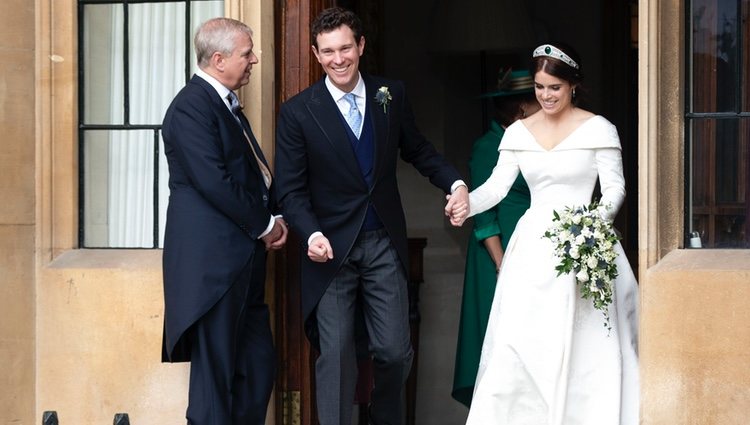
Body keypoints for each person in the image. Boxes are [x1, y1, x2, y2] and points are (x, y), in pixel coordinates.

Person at [274, 7, 468, 425]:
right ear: (314, 53)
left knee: (395, 351)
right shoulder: (297, 112)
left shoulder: (390, 94)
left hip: (383, 242)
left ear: (361, 46)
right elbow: (289, 189)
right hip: (329, 251)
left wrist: (454, 184)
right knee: (339, 355)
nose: (338, 59)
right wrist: (309, 235)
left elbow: (417, 149)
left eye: (345, 47)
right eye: (327, 51)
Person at [446, 43, 639, 424]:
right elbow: (497, 187)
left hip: (586, 241)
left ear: (572, 86)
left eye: (554, 87)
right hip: (533, 247)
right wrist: (465, 200)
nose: (546, 96)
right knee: (523, 339)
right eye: (539, 87)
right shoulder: (518, 132)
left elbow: (615, 188)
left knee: (587, 343)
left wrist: (593, 227)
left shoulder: (599, 128)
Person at [160, 17, 287, 424]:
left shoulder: (226, 103)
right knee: (214, 387)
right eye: (246, 53)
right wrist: (266, 225)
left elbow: (250, 174)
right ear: (218, 59)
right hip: (213, 270)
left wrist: (275, 213)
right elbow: (214, 181)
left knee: (256, 369)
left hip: (242, 264)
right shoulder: (190, 107)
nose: (253, 60)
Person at [451, 68, 540, 407]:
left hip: (529, 250)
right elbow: (484, 214)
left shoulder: (533, 142)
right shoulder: (490, 146)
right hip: (497, 257)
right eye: (535, 101)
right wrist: (503, 263)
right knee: (500, 341)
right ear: (520, 109)